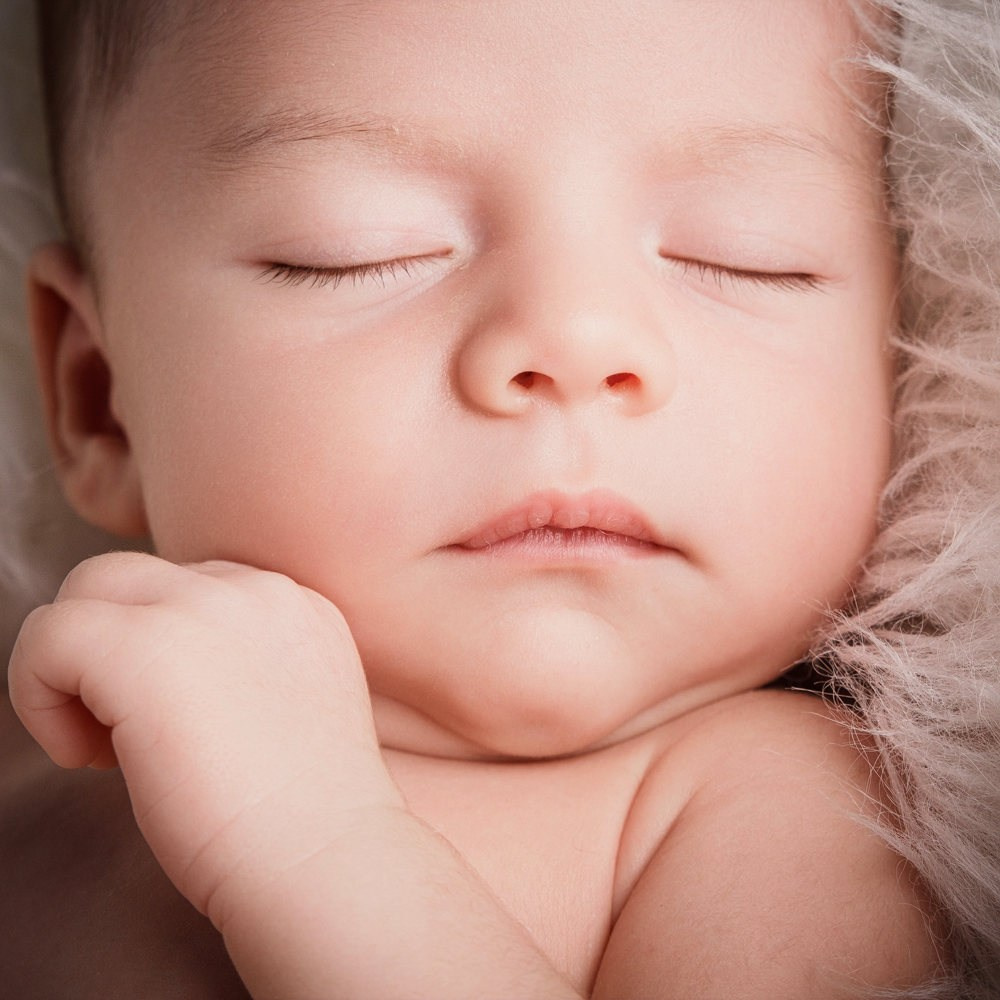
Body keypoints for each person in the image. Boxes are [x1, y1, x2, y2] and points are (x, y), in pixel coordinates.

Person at [4, 0, 999, 996]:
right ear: (102, 400)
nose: (572, 339)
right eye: (355, 246)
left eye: (744, 254)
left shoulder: (791, 815)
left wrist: (315, 835)